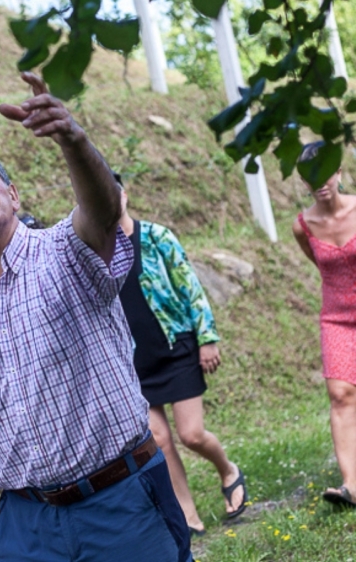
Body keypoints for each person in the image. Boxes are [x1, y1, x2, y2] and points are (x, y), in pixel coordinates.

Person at [0, 72, 192, 562]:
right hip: (28, 526)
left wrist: (73, 140)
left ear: (13, 195)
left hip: (122, 501)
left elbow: (103, 212)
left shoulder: (65, 251)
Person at [115, 175, 247, 535]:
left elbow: (190, 286)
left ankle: (228, 470)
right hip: (134, 364)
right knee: (159, 440)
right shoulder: (98, 252)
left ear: (124, 196)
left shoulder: (157, 237)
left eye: (113, 194)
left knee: (191, 434)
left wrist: (207, 338)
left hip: (176, 350)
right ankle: (188, 513)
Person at [292, 141, 356, 507]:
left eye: (323, 172)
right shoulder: (303, 226)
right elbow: (322, 267)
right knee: (340, 395)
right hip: (336, 318)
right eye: (308, 176)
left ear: (338, 173)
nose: (318, 181)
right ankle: (351, 485)